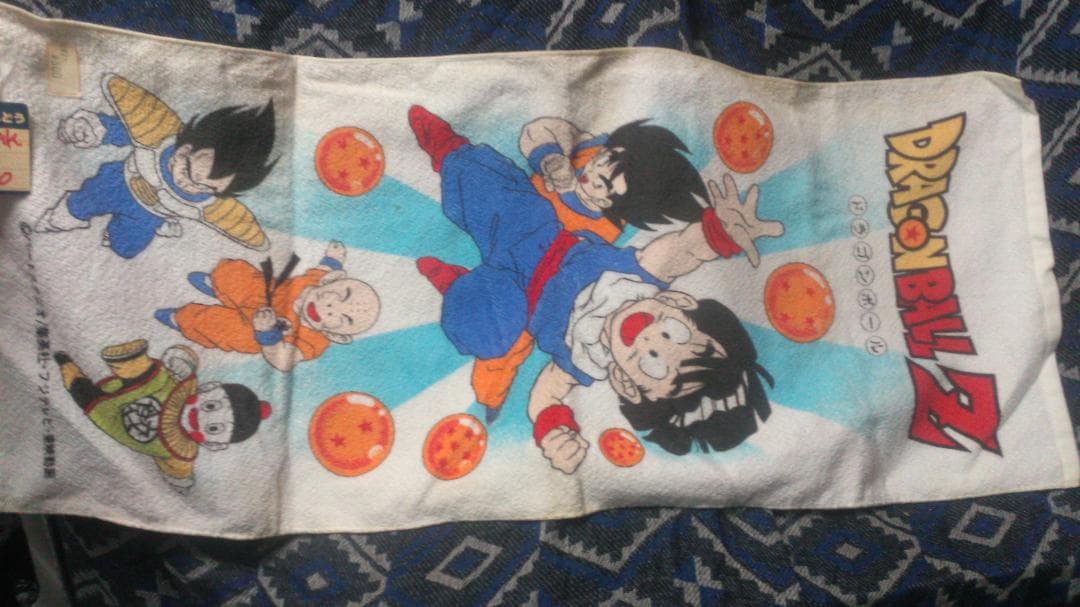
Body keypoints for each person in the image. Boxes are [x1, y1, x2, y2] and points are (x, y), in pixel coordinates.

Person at [409, 105, 782, 472]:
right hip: (536, 234)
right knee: (488, 186)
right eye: (672, 332)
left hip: (515, 299)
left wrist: (553, 430)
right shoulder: (640, 280)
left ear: (627, 385)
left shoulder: (585, 362)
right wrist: (723, 232)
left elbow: (547, 393)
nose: (649, 340)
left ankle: (453, 282)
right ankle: (445, 146)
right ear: (677, 301)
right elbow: (682, 251)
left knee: (490, 337)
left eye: (653, 364)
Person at [34, 74, 275, 258]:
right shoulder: (157, 138)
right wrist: (93, 128)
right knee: (83, 202)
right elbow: (125, 125)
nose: (188, 185)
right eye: (188, 172)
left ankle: (133, 231)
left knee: (126, 247)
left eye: (206, 187)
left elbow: (235, 222)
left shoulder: (210, 205)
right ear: (184, 149)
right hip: (118, 182)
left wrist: (254, 237)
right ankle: (54, 222)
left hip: (149, 214)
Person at [53, 339, 271, 492]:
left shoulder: (180, 453)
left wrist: (180, 482)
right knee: (147, 374)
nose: (200, 418)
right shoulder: (179, 385)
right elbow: (183, 358)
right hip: (143, 386)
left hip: (105, 414)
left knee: (83, 394)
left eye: (213, 428)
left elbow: (178, 473)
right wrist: (181, 361)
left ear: (213, 444)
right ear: (208, 388)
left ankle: (67, 366)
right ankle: (128, 359)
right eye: (211, 406)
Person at [155, 241, 380, 372]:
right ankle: (216, 285)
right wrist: (333, 258)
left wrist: (267, 335)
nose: (332, 306)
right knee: (236, 274)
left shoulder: (314, 343)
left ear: (336, 336)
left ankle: (183, 319)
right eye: (343, 294)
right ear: (330, 281)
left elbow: (283, 361)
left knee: (217, 326)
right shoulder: (316, 280)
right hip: (265, 292)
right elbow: (326, 268)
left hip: (254, 333)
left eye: (344, 318)